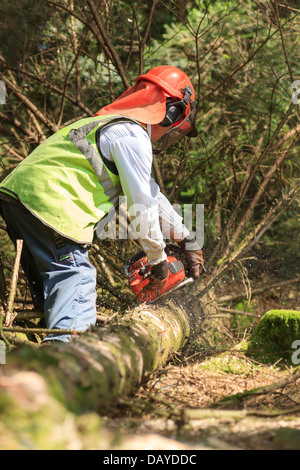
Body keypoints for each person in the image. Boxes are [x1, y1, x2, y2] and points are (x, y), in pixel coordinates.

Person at [0, 65, 204, 343]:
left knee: (54, 295)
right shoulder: (132, 136)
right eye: (178, 129)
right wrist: (157, 260)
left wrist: (185, 238)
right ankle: (63, 362)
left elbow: (151, 195)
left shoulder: (110, 127)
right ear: (172, 113)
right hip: (52, 207)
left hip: (18, 197)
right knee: (76, 280)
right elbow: (141, 205)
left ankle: (37, 355)